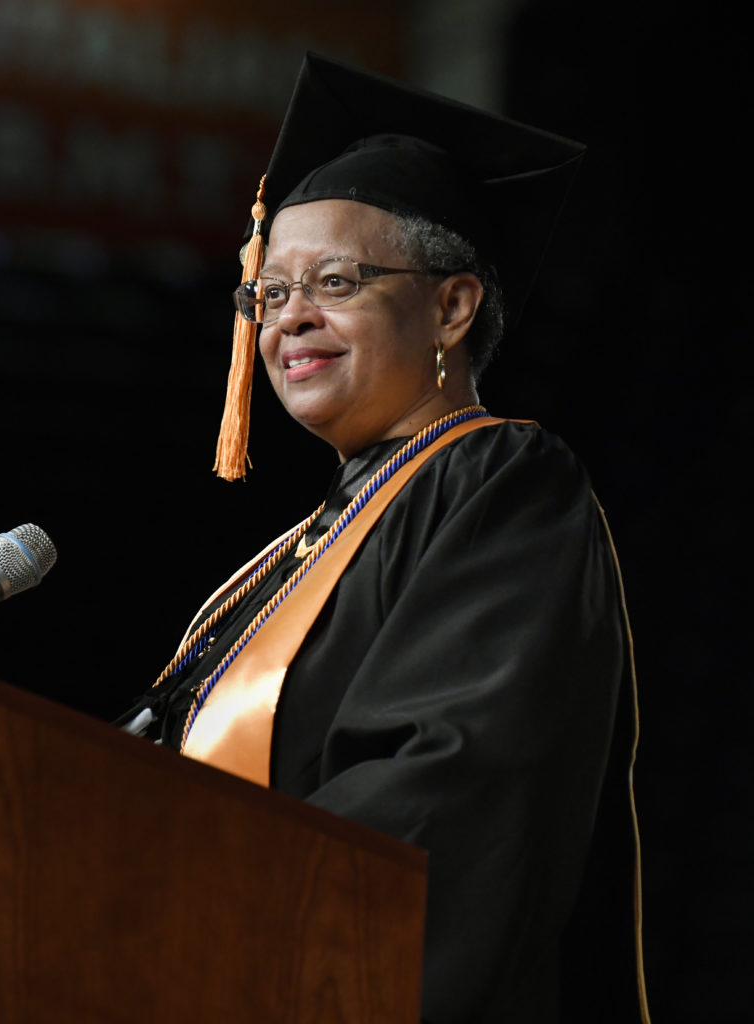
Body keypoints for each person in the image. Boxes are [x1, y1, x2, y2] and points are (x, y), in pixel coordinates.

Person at [117, 53, 648, 1024]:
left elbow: (455, 782)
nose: (290, 322)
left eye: (335, 281)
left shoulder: (501, 486)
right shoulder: (288, 557)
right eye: (268, 294)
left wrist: (197, 898)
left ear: (451, 305)